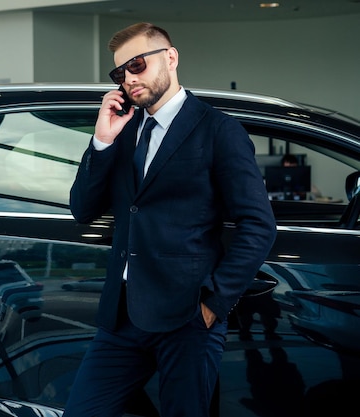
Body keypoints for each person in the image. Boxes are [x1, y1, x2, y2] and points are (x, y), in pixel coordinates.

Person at [65, 22, 277, 417]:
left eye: (138, 65)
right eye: (120, 73)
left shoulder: (218, 130)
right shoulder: (123, 131)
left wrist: (214, 303)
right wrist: (102, 141)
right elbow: (83, 209)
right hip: (122, 318)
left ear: (171, 58)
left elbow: (258, 225)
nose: (129, 79)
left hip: (187, 318)